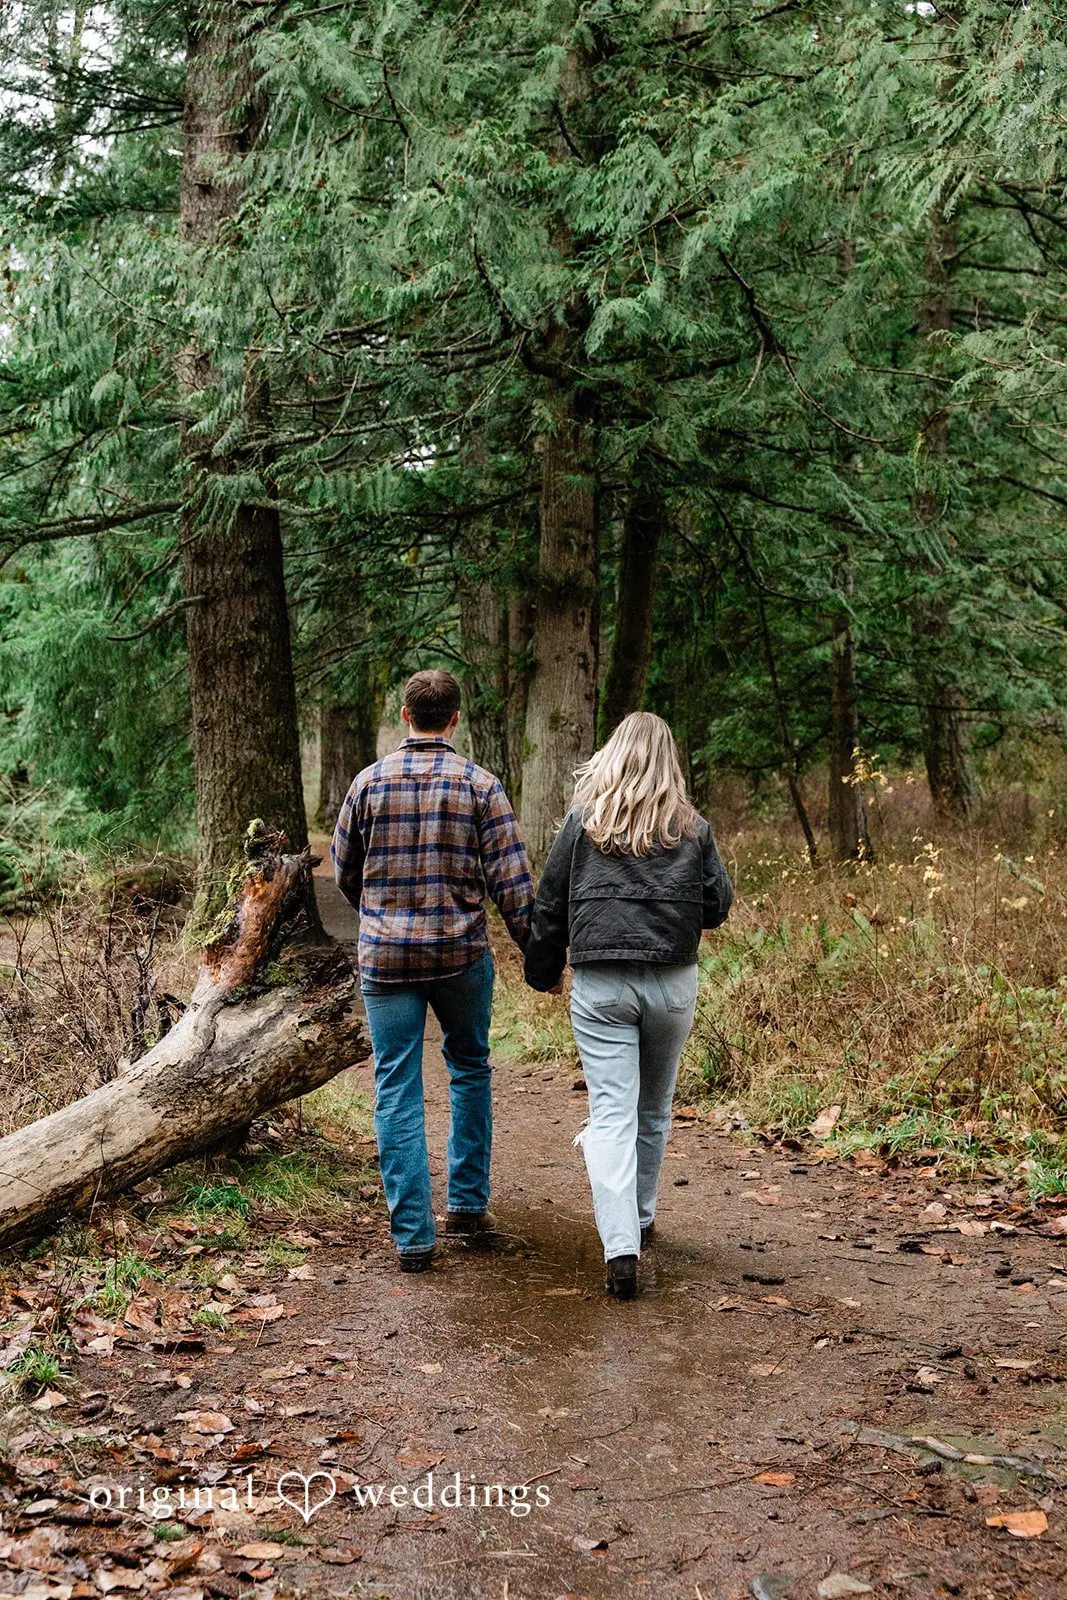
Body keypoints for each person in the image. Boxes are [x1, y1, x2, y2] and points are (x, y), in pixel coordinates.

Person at [523, 712, 733, 1300]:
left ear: (613, 756)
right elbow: (717, 906)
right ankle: (639, 1217)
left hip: (601, 984)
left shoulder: (582, 824)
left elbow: (550, 904)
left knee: (611, 1112)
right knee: (654, 1106)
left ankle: (621, 1247)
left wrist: (542, 972)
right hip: (672, 981)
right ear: (670, 763)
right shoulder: (692, 830)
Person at [331, 669, 533, 1273]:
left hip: (386, 959)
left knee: (395, 1084)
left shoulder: (367, 785)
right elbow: (514, 885)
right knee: (469, 1068)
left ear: (404, 715)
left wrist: (378, 913)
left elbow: (345, 870)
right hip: (460, 953)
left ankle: (414, 1238)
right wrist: (541, 955)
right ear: (454, 718)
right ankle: (467, 1206)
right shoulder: (481, 787)